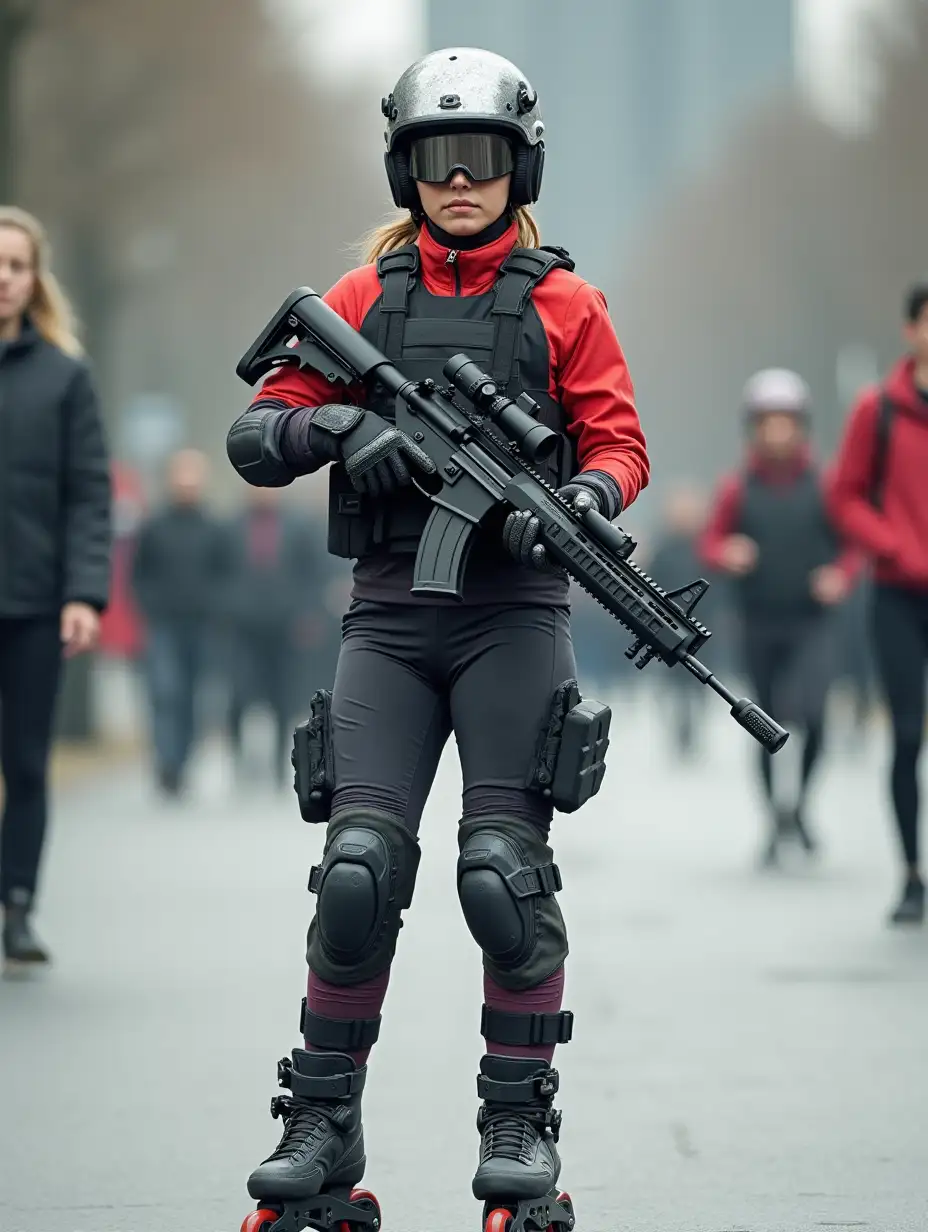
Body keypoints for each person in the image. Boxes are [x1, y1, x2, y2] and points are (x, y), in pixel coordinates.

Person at [226, 48, 649, 1229]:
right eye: (434, 161)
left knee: (502, 879)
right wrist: (336, 434)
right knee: (357, 874)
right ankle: (321, 1122)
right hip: (389, 620)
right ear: (405, 171)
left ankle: (518, 1124)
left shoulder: (567, 303)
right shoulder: (360, 300)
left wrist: (589, 502)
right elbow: (256, 431)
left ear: (522, 169)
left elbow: (619, 443)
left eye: (481, 162)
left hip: (515, 618)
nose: (459, 182)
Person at [0, 206, 111, 973]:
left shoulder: (64, 378)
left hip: (35, 603)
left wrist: (83, 593)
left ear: (34, 279)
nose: (3, 279)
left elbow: (89, 494)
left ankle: (16, 907)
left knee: (28, 764)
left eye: (16, 266)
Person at [700, 369, 858, 867]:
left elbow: (853, 545)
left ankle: (801, 806)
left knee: (814, 718)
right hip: (757, 621)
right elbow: (709, 543)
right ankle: (774, 817)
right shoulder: (736, 487)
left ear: (801, 426)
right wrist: (726, 552)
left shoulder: (826, 483)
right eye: (768, 423)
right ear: (754, 428)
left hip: (810, 621)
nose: (777, 432)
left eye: (786, 422)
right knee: (764, 725)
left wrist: (840, 574)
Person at [827, 281, 928, 925]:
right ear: (911, 330)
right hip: (897, 596)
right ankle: (912, 873)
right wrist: (889, 543)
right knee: (909, 734)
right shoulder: (879, 411)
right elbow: (844, 495)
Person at [131, 449, 228, 798]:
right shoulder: (153, 526)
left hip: (202, 627)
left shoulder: (214, 527)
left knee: (193, 698)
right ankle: (166, 763)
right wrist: (150, 606)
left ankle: (183, 762)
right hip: (163, 626)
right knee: (165, 692)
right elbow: (138, 574)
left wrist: (215, 607)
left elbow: (225, 574)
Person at [223, 486, 325, 787]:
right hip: (242, 626)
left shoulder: (298, 526)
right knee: (239, 695)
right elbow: (218, 573)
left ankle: (280, 763)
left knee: (282, 697)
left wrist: (308, 614)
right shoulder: (231, 526)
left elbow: (312, 575)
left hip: (285, 625)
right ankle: (239, 760)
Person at [645, 486, 712, 758]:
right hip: (668, 628)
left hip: (702, 629)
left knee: (698, 687)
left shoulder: (705, 547)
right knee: (671, 687)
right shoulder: (663, 548)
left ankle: (692, 731)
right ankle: (678, 731)